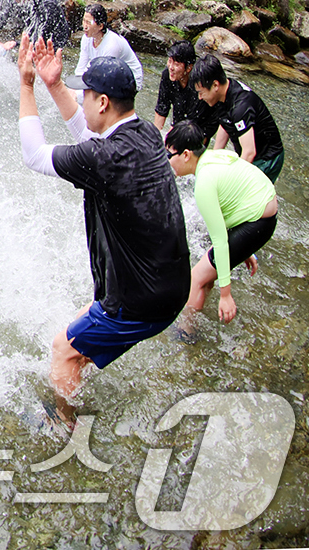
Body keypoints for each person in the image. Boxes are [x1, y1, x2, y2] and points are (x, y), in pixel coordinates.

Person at [17, 42, 190, 426]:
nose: (81, 97)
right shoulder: (144, 132)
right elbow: (89, 138)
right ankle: (81, 373)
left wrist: (27, 85)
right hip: (170, 285)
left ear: (103, 102)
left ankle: (63, 424)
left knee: (63, 348)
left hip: (142, 300)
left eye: (85, 94)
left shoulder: (105, 157)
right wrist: (54, 85)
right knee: (80, 325)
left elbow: (33, 155)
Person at [165, 120, 278, 335]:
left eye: (170, 155)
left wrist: (226, 294)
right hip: (261, 216)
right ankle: (194, 323)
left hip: (258, 221)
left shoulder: (204, 184)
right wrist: (244, 246)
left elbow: (219, 240)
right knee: (207, 273)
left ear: (186, 155)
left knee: (196, 278)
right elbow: (235, 195)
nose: (167, 161)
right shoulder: (213, 156)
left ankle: (186, 333)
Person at [191, 55, 285, 182]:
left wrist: (234, 182)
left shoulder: (241, 106)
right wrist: (213, 160)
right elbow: (224, 123)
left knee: (244, 195)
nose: (200, 97)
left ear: (215, 85)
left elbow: (249, 152)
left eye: (201, 92)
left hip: (267, 157)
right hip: (252, 150)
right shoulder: (222, 94)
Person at [151, 40, 220, 139]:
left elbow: (192, 123)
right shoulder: (168, 75)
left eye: (176, 64)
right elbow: (162, 106)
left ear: (189, 68)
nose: (171, 67)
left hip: (203, 124)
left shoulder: (199, 85)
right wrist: (154, 138)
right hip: (184, 118)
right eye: (170, 61)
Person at [75, 4, 142, 93]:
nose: (85, 26)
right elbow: (81, 69)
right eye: (84, 21)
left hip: (130, 81)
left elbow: (102, 77)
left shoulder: (112, 45)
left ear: (100, 26)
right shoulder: (86, 38)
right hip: (109, 75)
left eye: (89, 22)